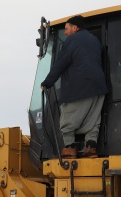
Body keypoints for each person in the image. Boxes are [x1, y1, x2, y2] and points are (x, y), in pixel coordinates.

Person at [41, 15, 108, 159]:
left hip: (80, 87)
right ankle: (90, 148)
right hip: (99, 87)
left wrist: (47, 83)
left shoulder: (72, 41)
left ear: (75, 28)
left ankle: (70, 148)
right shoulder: (95, 41)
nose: (65, 32)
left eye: (66, 29)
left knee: (67, 120)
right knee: (93, 121)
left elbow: (60, 64)